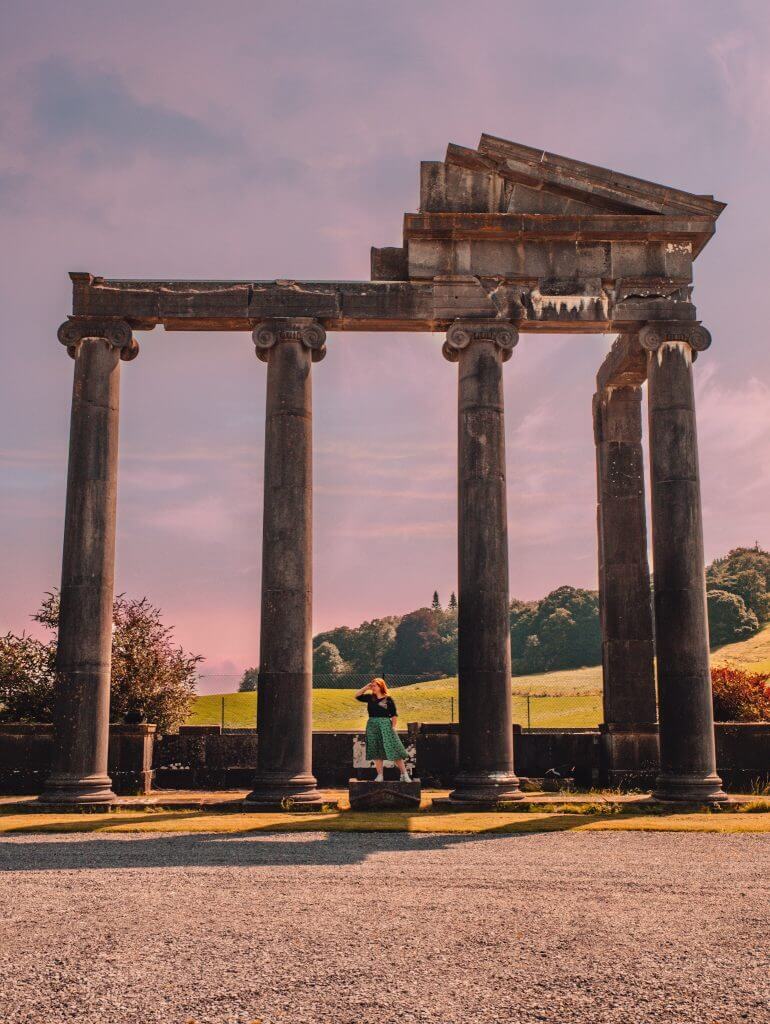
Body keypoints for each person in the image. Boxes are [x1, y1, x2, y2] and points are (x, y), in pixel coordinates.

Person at [355, 678, 412, 782]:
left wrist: (393, 727)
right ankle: (380, 775)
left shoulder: (388, 699)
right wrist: (366, 687)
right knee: (376, 750)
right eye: (372, 686)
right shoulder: (370, 697)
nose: (373, 688)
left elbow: (394, 715)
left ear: (381, 686)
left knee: (394, 748)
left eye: (374, 686)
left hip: (386, 725)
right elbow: (357, 695)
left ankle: (404, 774)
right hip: (372, 725)